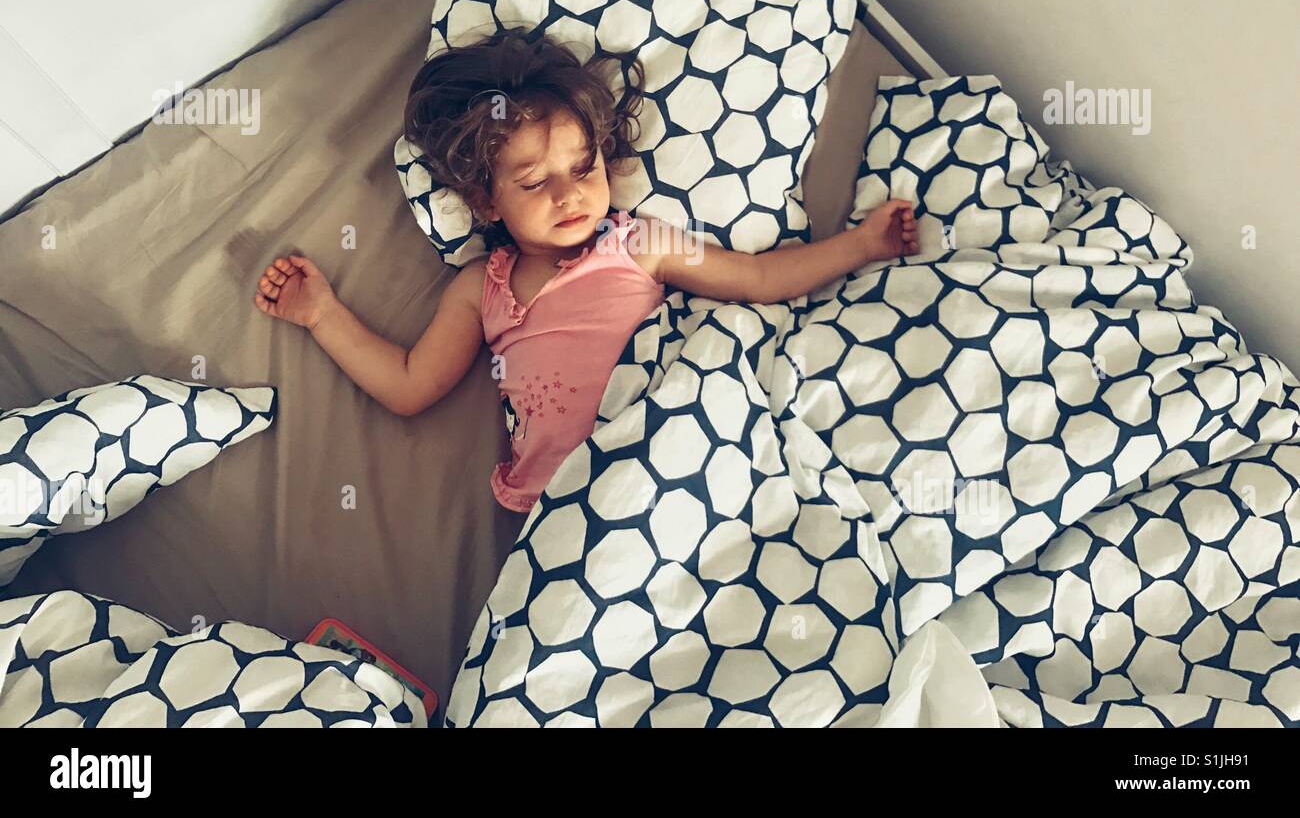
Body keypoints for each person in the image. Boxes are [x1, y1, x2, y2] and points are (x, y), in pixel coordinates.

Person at [253, 28, 917, 513]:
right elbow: (408, 385)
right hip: (569, 508)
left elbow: (759, 280)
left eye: (583, 167)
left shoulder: (641, 245)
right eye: (535, 182)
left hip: (675, 455)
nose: (568, 195)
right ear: (487, 200)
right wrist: (322, 314)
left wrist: (860, 245)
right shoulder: (479, 290)